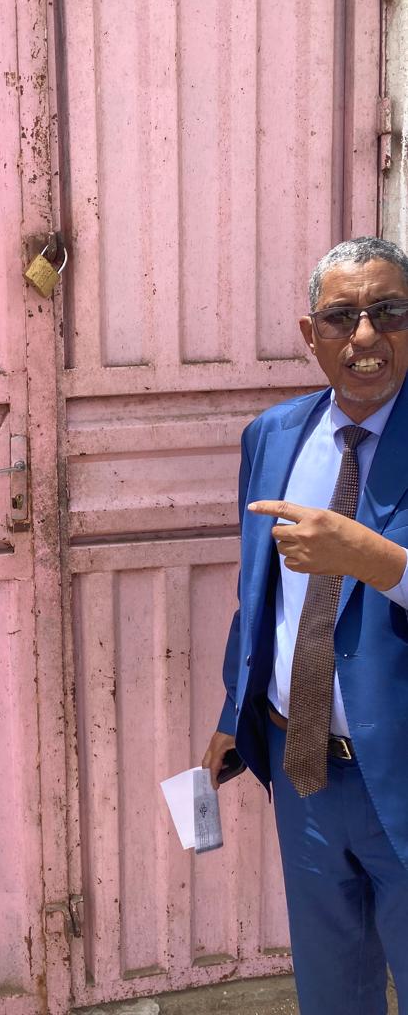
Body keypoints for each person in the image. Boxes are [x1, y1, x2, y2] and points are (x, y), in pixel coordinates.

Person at [202, 237, 408, 1015]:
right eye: (341, 317)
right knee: (333, 992)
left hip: (404, 776)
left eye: (389, 312)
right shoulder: (274, 436)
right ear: (309, 334)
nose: (365, 336)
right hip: (305, 774)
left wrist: (372, 559)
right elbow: (260, 595)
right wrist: (235, 712)